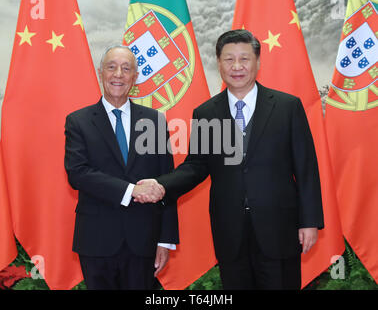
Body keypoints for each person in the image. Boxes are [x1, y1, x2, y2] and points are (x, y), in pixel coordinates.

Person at [135, 30, 324, 290]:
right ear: (219, 63)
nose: (237, 67)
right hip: (230, 231)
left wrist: (309, 221)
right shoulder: (207, 112)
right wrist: (161, 184)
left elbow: (306, 168)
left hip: (279, 228)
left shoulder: (287, 106)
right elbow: (196, 166)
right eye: (229, 60)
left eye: (244, 59)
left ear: (257, 62)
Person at [64, 45, 178, 290]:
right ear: (100, 72)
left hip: (144, 240)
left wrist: (166, 240)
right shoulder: (78, 121)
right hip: (96, 240)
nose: (118, 74)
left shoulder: (154, 121)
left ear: (135, 77)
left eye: (126, 69)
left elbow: (166, 181)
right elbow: (78, 173)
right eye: (111, 67)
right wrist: (130, 191)